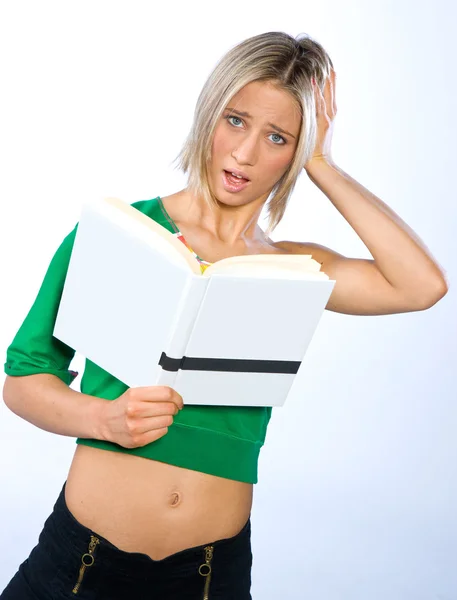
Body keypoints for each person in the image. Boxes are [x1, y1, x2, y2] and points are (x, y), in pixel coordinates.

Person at [1, 30, 448, 600]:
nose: (245, 153)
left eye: (278, 137)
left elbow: (421, 285)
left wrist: (325, 165)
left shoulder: (294, 270)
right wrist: (101, 419)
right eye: (235, 120)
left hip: (211, 576)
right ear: (208, 114)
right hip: (81, 565)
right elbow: (23, 382)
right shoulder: (118, 234)